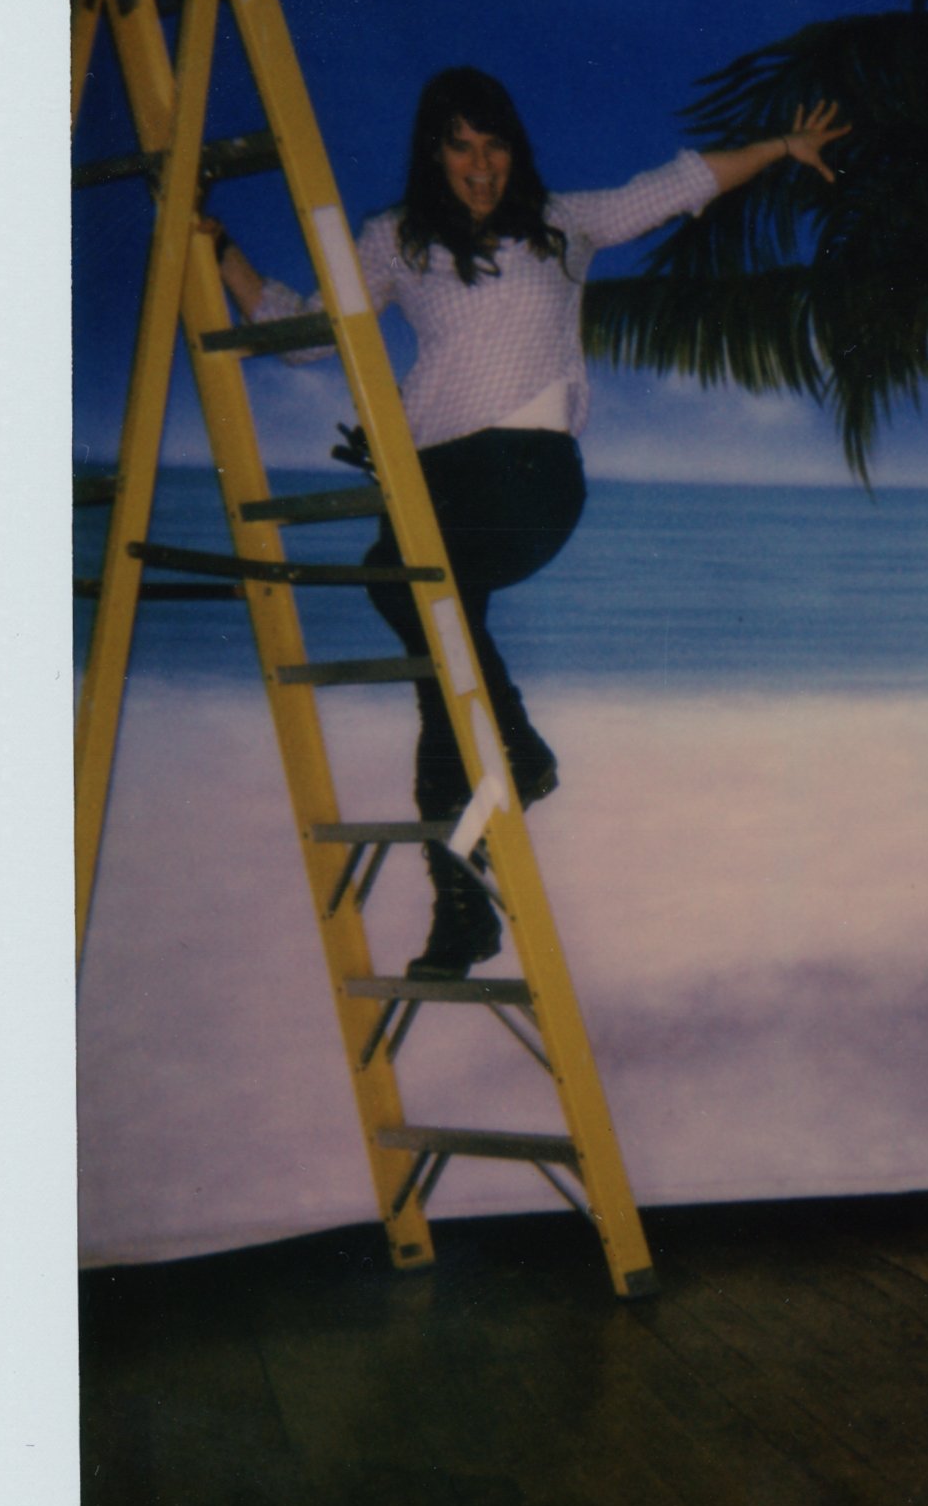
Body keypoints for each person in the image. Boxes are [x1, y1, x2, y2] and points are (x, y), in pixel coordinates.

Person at [202, 68, 846, 976]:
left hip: (531, 479)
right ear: (434, 153)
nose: (480, 166)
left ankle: (519, 749)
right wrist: (221, 250)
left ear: (515, 151)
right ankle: (463, 908)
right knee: (440, 690)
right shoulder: (393, 238)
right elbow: (305, 332)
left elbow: (678, 185)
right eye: (461, 147)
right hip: (434, 484)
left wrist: (781, 147)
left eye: (494, 146)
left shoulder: (561, 224)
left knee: (407, 597)